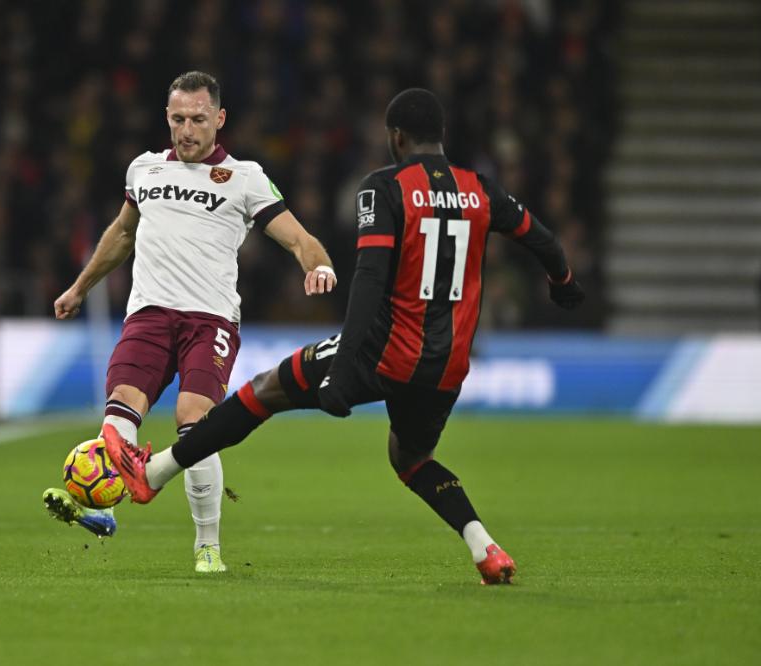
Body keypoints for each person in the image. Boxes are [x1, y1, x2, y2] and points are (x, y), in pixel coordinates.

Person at [103, 88, 584, 584]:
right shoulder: (481, 189)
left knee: (266, 389)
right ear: (440, 136)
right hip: (447, 364)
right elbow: (543, 240)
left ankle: (153, 473)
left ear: (395, 137)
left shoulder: (383, 187)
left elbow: (370, 282)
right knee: (412, 458)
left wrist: (344, 368)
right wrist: (564, 282)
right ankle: (485, 548)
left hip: (383, 349)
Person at [42, 71, 337, 573]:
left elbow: (297, 238)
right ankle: (103, 508)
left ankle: (208, 546)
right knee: (117, 420)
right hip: (148, 315)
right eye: (178, 119)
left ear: (219, 120)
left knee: (193, 427)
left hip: (210, 320)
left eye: (198, 119)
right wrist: (79, 287)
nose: (187, 130)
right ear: (167, 118)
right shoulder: (145, 170)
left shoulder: (244, 177)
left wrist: (321, 266)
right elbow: (121, 233)